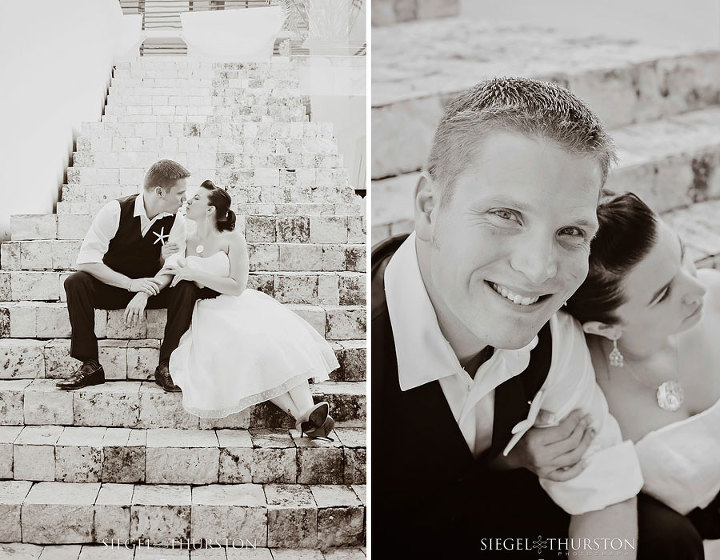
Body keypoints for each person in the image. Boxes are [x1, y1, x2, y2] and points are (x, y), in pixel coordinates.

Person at [372, 77, 651, 559]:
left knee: (665, 539)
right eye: (505, 214)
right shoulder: (346, 352)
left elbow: (604, 488)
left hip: (474, 519)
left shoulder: (554, 334)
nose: (540, 268)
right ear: (428, 208)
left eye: (570, 231)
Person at [564, 191, 720, 555]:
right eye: (664, 293)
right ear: (606, 329)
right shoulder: (583, 391)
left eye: (683, 256)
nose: (697, 289)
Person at [148, 180, 338, 437]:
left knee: (272, 344)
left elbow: (237, 286)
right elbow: (172, 271)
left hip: (235, 303)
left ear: (210, 209)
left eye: (196, 198)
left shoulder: (232, 239)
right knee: (247, 350)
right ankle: (306, 417)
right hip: (205, 312)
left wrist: (195, 273)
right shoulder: (185, 240)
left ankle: (307, 413)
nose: (188, 201)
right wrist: (162, 261)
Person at [59, 159, 216, 392]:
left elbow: (172, 267)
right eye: (181, 193)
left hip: (152, 290)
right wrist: (131, 284)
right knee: (76, 281)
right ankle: (90, 364)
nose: (185, 199)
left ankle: (167, 365)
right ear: (160, 192)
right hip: (114, 286)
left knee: (186, 287)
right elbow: (87, 259)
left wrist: (144, 291)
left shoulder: (176, 221)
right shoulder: (115, 210)